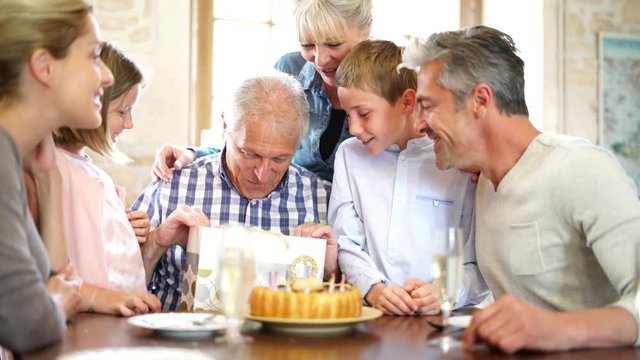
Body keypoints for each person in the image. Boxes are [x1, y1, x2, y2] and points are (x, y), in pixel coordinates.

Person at [401, 25, 640, 353]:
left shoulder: (582, 168)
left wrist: (556, 328)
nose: (418, 124)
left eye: (427, 106)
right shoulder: (482, 181)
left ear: (480, 101)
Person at [132, 72, 335, 311]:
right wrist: (157, 241)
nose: (261, 173)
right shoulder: (173, 183)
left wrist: (332, 269)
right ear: (225, 125)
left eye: (280, 159)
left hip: (283, 347)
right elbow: (117, 289)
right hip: (181, 344)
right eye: (250, 154)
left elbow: (342, 304)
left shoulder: (321, 198)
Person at [331, 40, 488, 316]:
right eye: (348, 115)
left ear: (407, 101)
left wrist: (445, 291)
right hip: (372, 319)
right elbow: (346, 241)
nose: (353, 128)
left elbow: (480, 263)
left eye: (364, 114)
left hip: (445, 323)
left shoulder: (458, 162)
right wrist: (374, 289)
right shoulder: (349, 155)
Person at [150, 0, 373, 183]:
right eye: (307, 45)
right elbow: (253, 143)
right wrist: (192, 155)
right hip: (292, 215)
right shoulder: (289, 70)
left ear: (366, 29)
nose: (321, 59)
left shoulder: (391, 79)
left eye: (334, 45)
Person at [0, 0, 112, 353]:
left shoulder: (15, 157)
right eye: (94, 56)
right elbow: (29, 321)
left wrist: (50, 180)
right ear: (44, 67)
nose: (106, 75)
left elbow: (46, 283)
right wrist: (58, 304)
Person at [34, 42, 159, 316]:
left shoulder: (87, 169)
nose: (129, 123)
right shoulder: (53, 167)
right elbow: (50, 265)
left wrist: (121, 231)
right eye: (122, 111)